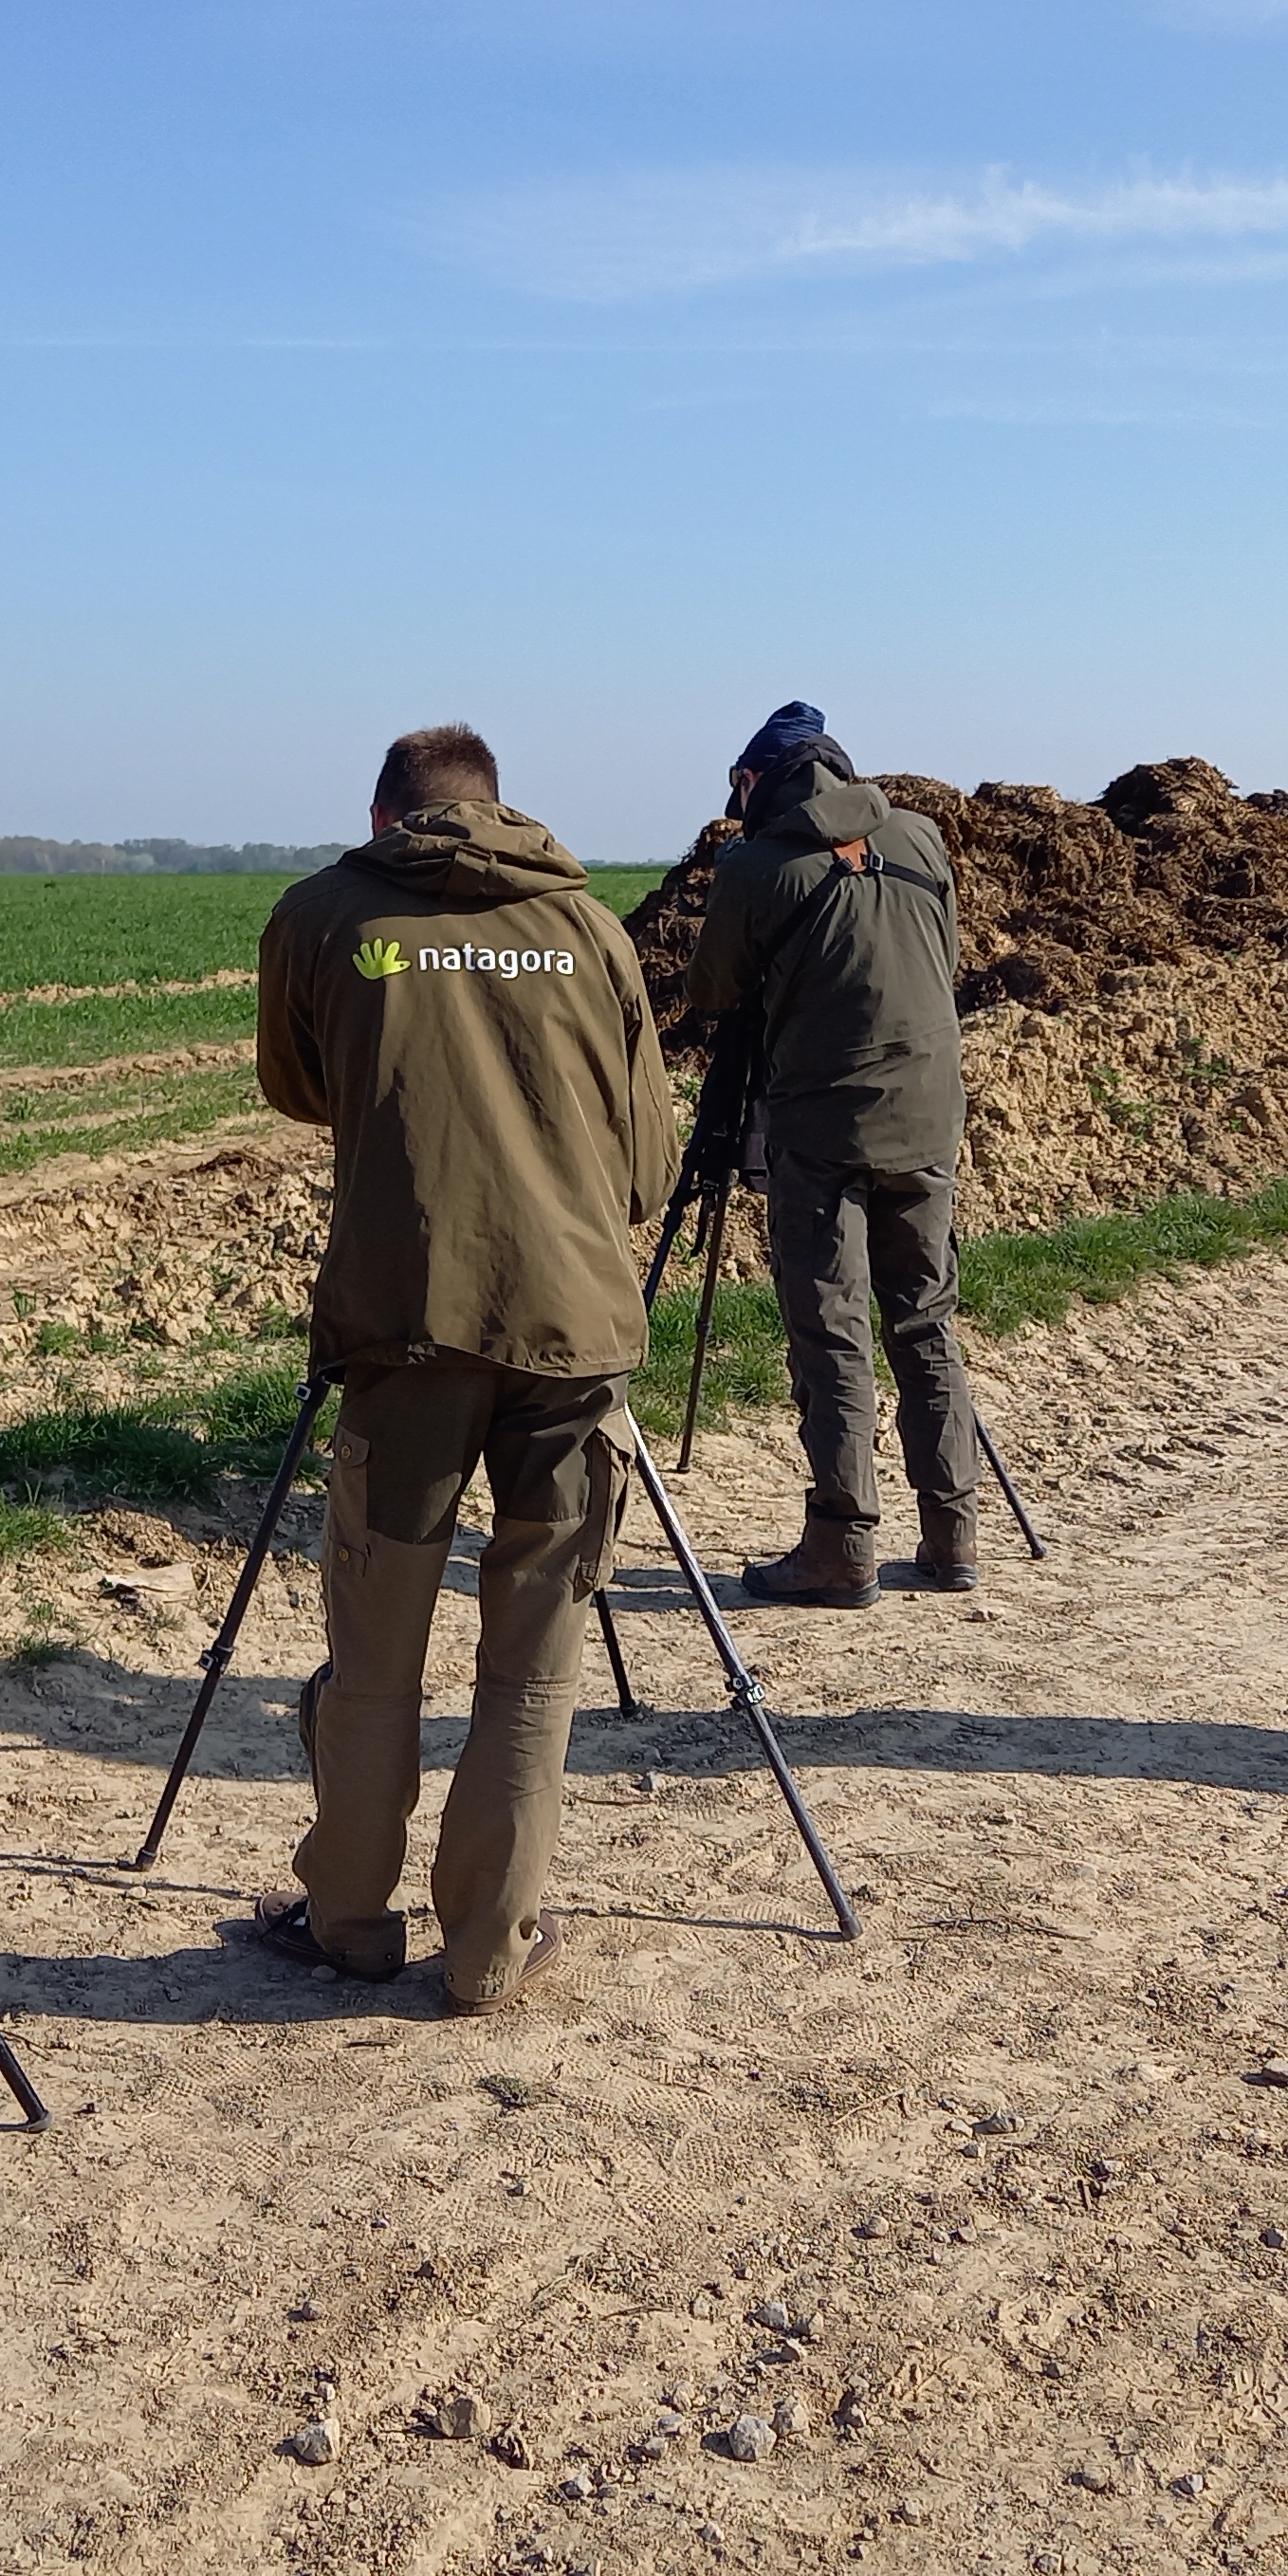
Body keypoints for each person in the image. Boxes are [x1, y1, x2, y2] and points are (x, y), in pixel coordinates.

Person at [248, 723, 677, 2012]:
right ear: (500, 806)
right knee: (536, 1657)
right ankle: (490, 1948)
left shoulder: (324, 916)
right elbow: (649, 1163)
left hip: (403, 1325)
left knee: (376, 1644)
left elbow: (293, 1085)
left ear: (385, 818)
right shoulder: (591, 929)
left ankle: (347, 1922)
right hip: (574, 1337)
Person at [683, 704, 978, 1609]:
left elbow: (709, 993)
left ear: (754, 783)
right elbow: (948, 956)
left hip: (822, 1130)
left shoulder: (756, 868)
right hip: (931, 1120)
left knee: (833, 1333)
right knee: (925, 1320)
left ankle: (841, 1548)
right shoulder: (922, 838)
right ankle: (952, 1536)